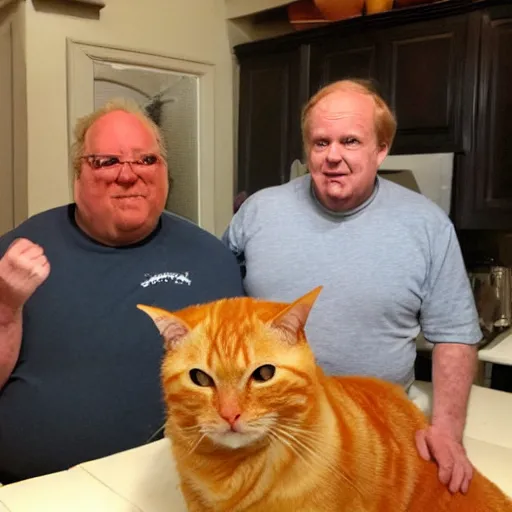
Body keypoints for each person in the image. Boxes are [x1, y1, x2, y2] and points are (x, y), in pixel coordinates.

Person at [223, 79, 482, 495]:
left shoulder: (427, 225)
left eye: (350, 141)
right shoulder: (258, 212)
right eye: (321, 142)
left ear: (381, 149)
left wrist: (447, 430)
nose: (333, 157)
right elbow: (219, 305)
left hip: (376, 429)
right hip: (264, 429)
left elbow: (454, 335)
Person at [0, 99, 245, 484]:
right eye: (107, 162)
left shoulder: (211, 258)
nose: (128, 176)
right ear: (78, 174)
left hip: (176, 488)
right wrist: (5, 306)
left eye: (146, 160)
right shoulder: (17, 254)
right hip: (33, 492)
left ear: (165, 171)